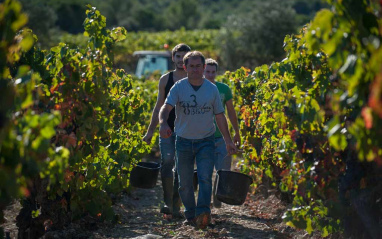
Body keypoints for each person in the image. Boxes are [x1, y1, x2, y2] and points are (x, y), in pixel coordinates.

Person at [159, 51, 237, 229]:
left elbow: (220, 116)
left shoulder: (212, 90)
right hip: (183, 141)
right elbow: (166, 107)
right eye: (191, 66)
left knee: (205, 179)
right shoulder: (178, 87)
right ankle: (191, 214)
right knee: (185, 184)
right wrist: (163, 123)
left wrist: (228, 140)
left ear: (203, 67)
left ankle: (203, 214)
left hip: (206, 141)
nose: (195, 69)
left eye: (198, 66)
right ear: (185, 68)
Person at [143, 43, 191, 219]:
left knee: (181, 168)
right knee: (167, 163)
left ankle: (177, 204)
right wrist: (150, 132)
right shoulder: (165, 79)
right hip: (167, 129)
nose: (180, 60)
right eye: (178, 56)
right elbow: (158, 107)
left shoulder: (194, 78)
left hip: (187, 130)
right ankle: (167, 202)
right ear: (173, 58)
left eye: (184, 57)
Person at [204, 58, 241, 208]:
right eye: (208, 72)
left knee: (223, 171)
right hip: (204, 137)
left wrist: (237, 132)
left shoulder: (224, 89)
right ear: (203, 71)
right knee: (205, 172)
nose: (210, 75)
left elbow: (231, 112)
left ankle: (217, 199)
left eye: (213, 72)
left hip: (221, 137)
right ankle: (205, 204)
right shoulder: (198, 88)